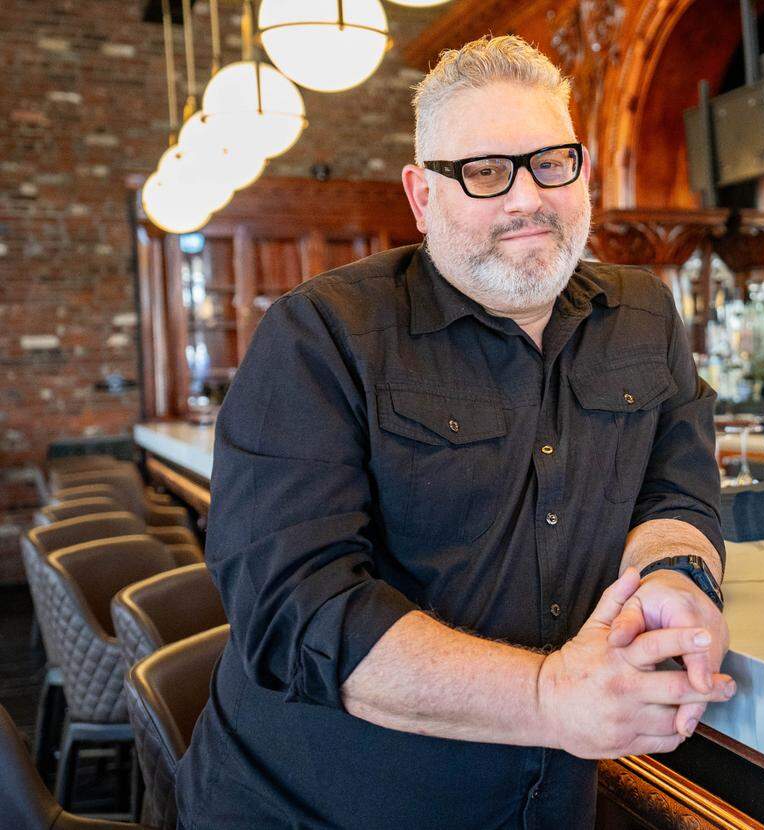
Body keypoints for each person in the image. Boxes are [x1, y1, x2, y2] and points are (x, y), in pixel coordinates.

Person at [176, 35, 732, 829]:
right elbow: (293, 608)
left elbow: (675, 490)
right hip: (318, 808)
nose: (525, 198)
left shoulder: (642, 313)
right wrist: (545, 697)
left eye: (551, 163)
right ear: (421, 195)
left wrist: (676, 580)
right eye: (483, 171)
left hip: (550, 805)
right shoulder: (323, 332)